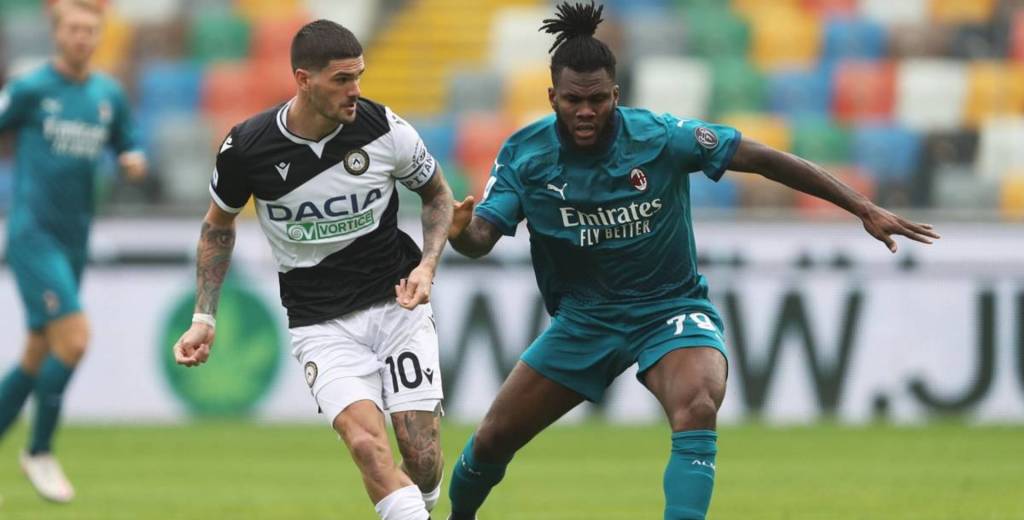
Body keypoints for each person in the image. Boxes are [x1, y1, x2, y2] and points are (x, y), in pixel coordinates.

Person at [445, 2, 941, 519]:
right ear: (553, 97)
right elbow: (482, 237)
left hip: (669, 307)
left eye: (597, 99)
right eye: (573, 100)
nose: (585, 111)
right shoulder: (526, 156)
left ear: (616, 94)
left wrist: (861, 207)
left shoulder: (660, 138)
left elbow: (762, 158)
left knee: (698, 404)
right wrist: (459, 234)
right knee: (492, 439)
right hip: (585, 319)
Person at [171, 19, 454, 520]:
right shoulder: (248, 148)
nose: (355, 90)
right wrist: (204, 317)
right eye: (342, 80)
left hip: (397, 305)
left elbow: (437, 196)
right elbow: (218, 227)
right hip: (320, 324)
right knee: (366, 445)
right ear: (304, 80)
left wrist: (428, 266)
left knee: (423, 457)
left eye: (358, 76)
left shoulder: (384, 129)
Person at [0, 0, 146, 503]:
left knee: (38, 351)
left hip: (75, 239)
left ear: (99, 35)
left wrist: (132, 158)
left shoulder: (108, 94)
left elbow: (128, 141)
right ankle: (38, 450)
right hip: (33, 234)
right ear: (58, 34)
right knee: (76, 338)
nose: (82, 37)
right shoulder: (30, 89)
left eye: (90, 30)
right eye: (74, 29)